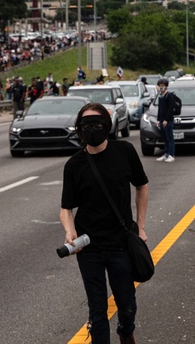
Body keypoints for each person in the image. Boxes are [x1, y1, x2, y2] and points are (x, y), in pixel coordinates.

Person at [59, 103, 148, 344]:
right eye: (86, 125)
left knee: (127, 304)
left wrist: (140, 226)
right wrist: (70, 232)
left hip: (121, 243)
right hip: (89, 248)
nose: (92, 129)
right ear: (79, 129)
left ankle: (125, 330)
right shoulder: (74, 165)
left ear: (107, 126)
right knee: (97, 310)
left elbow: (141, 186)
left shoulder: (125, 151)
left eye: (97, 124)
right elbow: (66, 207)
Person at [153, 78, 180, 163]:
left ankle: (171, 154)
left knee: (170, 138)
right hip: (161, 120)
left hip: (168, 121)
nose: (161, 88)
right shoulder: (161, 96)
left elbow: (170, 109)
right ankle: (166, 153)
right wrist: (158, 120)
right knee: (164, 138)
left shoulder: (169, 96)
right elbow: (160, 109)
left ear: (166, 86)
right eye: (159, 86)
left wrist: (166, 120)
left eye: (162, 86)